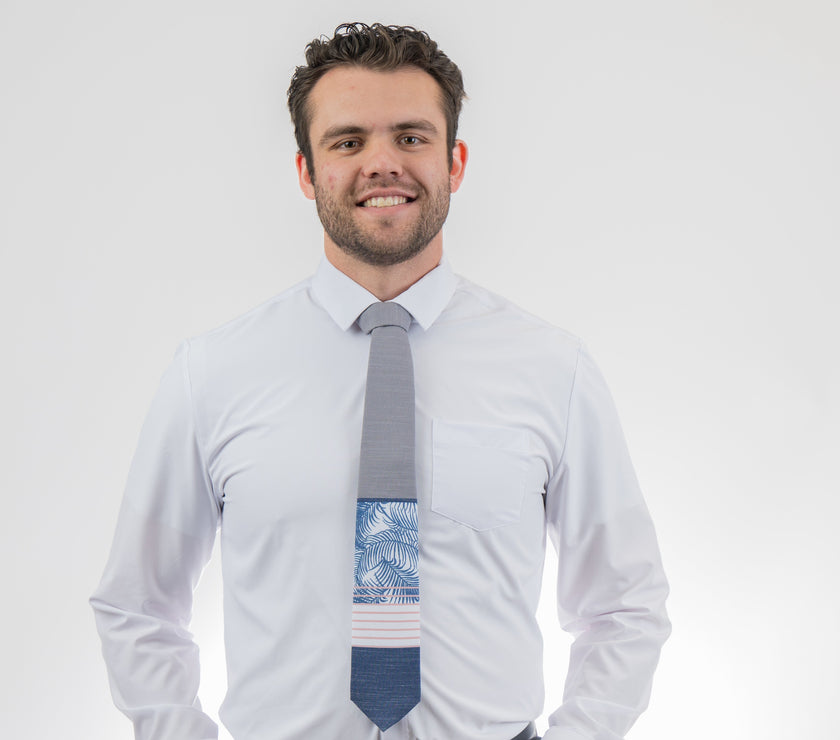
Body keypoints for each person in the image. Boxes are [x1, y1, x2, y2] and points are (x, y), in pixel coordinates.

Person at [90, 22, 670, 740]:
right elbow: (136, 604)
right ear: (307, 172)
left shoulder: (554, 370)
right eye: (348, 141)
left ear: (454, 162)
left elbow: (624, 602)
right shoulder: (210, 375)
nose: (382, 163)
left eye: (412, 137)